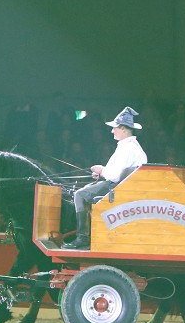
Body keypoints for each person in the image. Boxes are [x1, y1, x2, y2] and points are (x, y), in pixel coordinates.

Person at [63, 106, 147, 250]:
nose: (112, 131)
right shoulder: (129, 146)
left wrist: (101, 170)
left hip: (117, 188)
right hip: (118, 185)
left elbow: (114, 176)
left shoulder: (128, 149)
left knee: (79, 195)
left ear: (123, 129)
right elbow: (115, 171)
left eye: (114, 128)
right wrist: (102, 171)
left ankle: (82, 237)